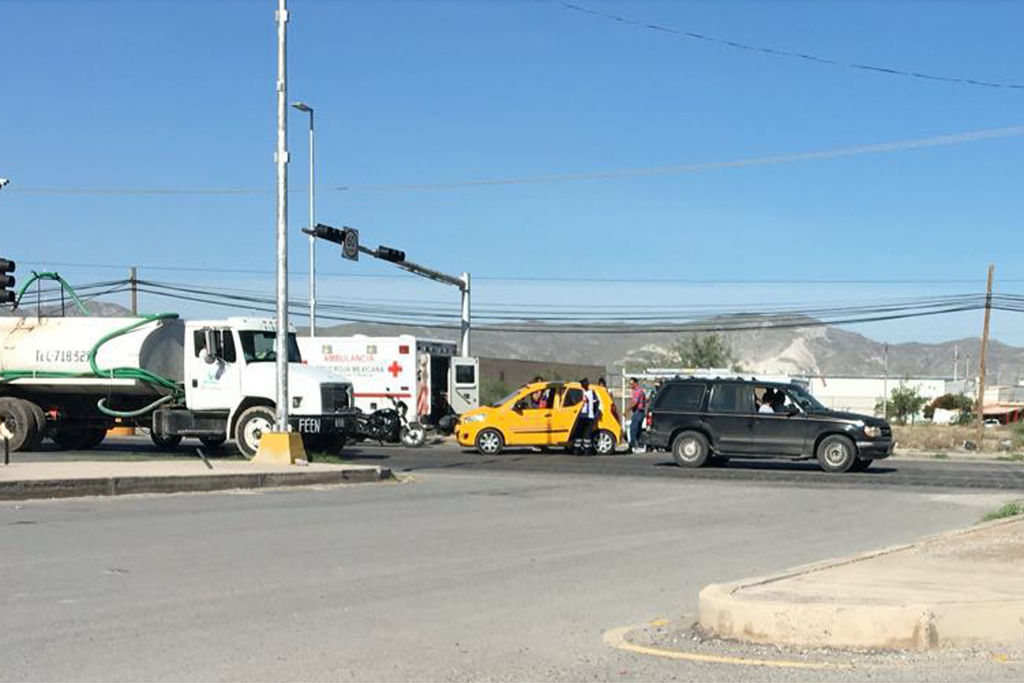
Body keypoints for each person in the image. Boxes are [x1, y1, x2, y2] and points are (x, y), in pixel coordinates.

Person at [574, 378, 601, 455]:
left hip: (588, 416)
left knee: (586, 434)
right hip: (581, 416)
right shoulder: (580, 392)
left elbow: (596, 404)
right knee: (580, 433)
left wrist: (594, 414)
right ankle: (578, 449)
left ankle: (586, 450)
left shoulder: (591, 393)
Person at [627, 377, 647, 452]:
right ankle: (637, 445)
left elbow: (635, 402)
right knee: (636, 429)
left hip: (638, 412)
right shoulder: (635, 391)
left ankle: (632, 445)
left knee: (634, 429)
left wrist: (627, 410)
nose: (630, 385)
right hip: (637, 411)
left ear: (635, 383)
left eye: (632, 384)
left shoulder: (638, 391)